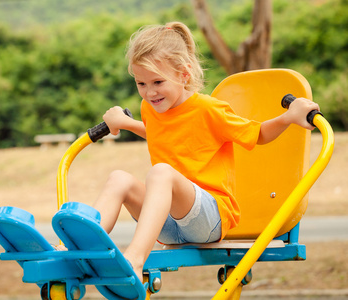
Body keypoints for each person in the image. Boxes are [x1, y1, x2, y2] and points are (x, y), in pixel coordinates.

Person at [93, 21, 319, 281]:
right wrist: (123, 123)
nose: (149, 92)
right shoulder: (151, 109)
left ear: (184, 74)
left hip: (209, 219)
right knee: (118, 178)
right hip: (168, 224)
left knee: (160, 173)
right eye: (141, 83)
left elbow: (258, 134)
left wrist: (289, 117)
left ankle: (133, 259)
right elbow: (161, 132)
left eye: (157, 81)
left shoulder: (209, 110)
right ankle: (82, 249)